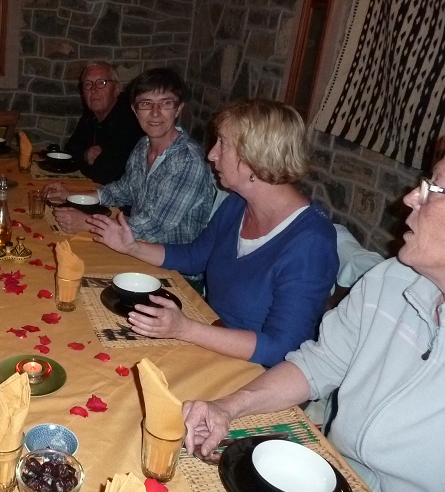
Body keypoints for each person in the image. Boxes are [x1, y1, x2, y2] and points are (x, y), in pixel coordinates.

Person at [181, 162, 445, 492]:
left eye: (435, 189)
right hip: (335, 481)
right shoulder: (391, 280)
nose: (411, 197)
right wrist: (227, 407)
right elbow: (317, 364)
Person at [89, 99, 337, 367]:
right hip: (210, 335)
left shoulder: (311, 243)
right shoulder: (238, 204)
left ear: (254, 157)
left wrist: (186, 329)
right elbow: (196, 256)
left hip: (253, 371)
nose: (211, 155)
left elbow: (282, 349)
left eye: (223, 144)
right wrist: (132, 247)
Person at [45, 68, 215, 248]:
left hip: (171, 259)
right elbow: (124, 190)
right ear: (134, 109)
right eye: (146, 103)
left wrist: (87, 222)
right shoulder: (143, 145)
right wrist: (72, 196)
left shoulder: (188, 160)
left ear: (178, 108)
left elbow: (154, 226)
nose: (155, 112)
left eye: (165, 103)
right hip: (137, 245)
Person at [63, 61, 144, 184]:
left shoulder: (130, 119)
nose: (93, 90)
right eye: (87, 84)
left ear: (117, 89)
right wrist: (85, 155)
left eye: (101, 83)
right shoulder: (91, 115)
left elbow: (106, 174)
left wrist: (81, 161)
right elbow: (70, 149)